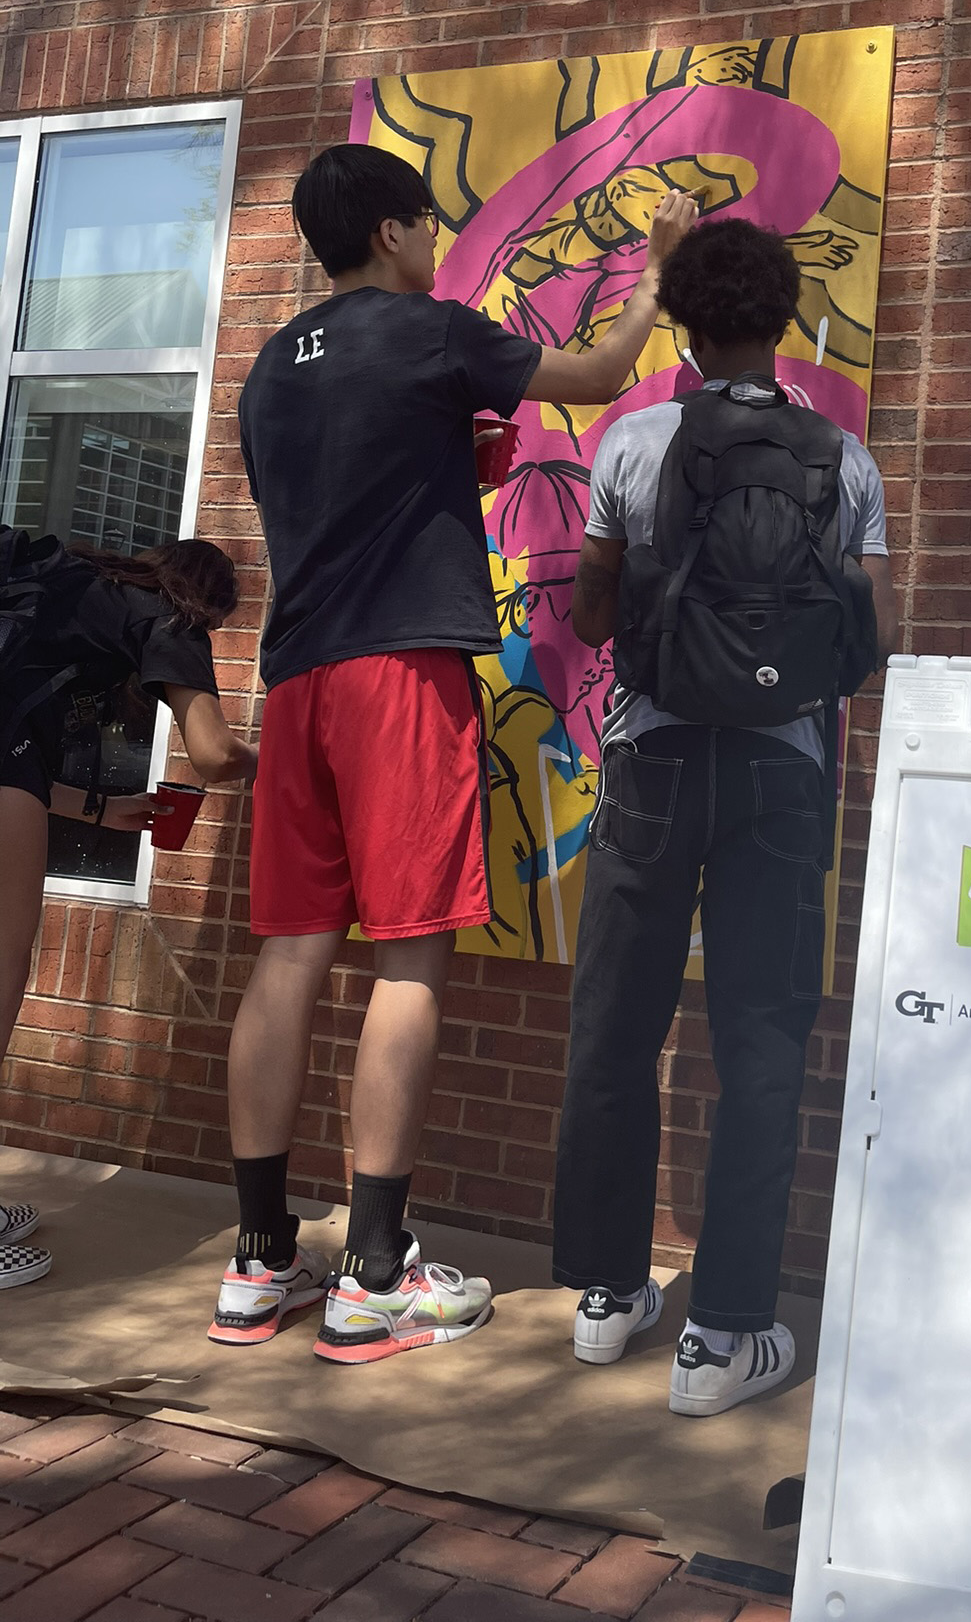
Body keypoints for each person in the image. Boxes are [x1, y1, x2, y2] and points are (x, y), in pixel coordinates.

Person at [217, 142, 695, 1364]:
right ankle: (375, 1272)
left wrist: (447, 465)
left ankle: (260, 1257)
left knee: (288, 954)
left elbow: (340, 494)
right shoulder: (430, 331)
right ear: (390, 231)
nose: (436, 243)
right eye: (426, 224)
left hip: (300, 675)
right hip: (401, 674)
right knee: (411, 956)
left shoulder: (270, 369)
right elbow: (592, 371)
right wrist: (657, 272)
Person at [553, 215, 898, 1417]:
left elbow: (595, 621)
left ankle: (605, 1300)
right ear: (784, 316)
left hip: (650, 762)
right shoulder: (843, 459)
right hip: (781, 773)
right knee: (761, 1040)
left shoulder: (634, 440)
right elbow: (871, 641)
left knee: (615, 1023)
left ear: (689, 322)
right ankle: (724, 1334)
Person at [0, 530, 257, 1289]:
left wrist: (99, 807)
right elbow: (210, 753)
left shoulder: (67, 573)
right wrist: (286, 762)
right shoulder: (167, 618)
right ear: (204, 600)